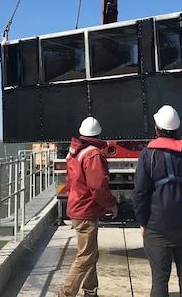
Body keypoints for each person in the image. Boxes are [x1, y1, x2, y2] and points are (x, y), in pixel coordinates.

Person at [132, 105, 182, 297]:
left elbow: (140, 194)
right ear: (177, 128)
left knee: (159, 279)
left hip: (157, 228)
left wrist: (143, 222)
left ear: (156, 128)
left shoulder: (148, 155)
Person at [58, 116, 118, 297]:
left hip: (77, 207)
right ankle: (66, 294)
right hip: (86, 211)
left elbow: (70, 180)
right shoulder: (93, 154)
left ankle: (90, 290)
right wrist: (111, 204)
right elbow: (98, 186)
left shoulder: (74, 152)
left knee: (90, 252)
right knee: (85, 257)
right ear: (99, 134)